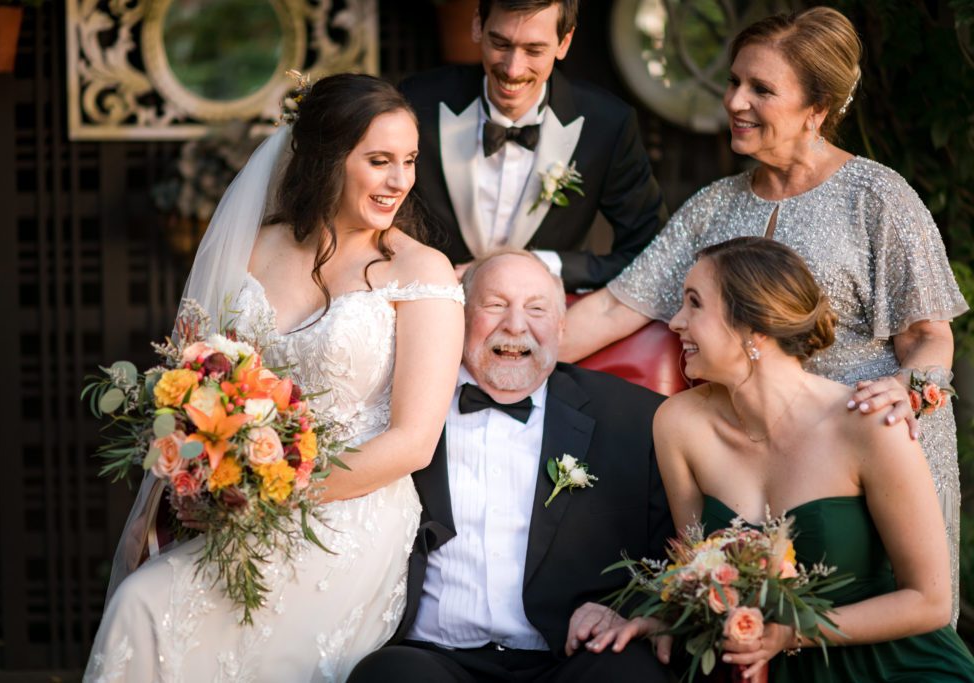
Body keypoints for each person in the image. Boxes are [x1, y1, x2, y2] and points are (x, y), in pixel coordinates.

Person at [562, 6, 969, 620]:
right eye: (733, 82)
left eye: (761, 89)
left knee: (884, 620)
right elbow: (616, 308)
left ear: (817, 108)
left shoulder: (877, 197)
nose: (735, 101)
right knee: (758, 630)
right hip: (762, 468)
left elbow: (929, 336)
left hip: (877, 446)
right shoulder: (711, 207)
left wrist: (907, 391)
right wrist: (491, 347)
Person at [83, 74, 465, 682]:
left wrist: (277, 495)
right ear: (325, 158)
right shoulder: (252, 248)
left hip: (350, 515)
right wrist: (195, 487)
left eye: (410, 161)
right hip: (235, 506)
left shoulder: (422, 272)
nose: (400, 181)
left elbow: (413, 442)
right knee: (140, 602)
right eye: (379, 161)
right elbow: (192, 383)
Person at [588, 238, 974, 682]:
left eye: (694, 304)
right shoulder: (678, 424)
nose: (675, 323)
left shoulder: (868, 424)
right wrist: (655, 618)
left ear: (756, 326)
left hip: (895, 664)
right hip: (762, 666)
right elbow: (699, 576)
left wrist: (792, 634)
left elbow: (929, 601)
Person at [347, 249, 674, 683]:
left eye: (536, 309)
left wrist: (626, 610)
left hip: (570, 657)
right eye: (495, 304)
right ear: (459, 318)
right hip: (433, 658)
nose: (516, 325)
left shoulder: (634, 418)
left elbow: (675, 555)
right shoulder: (403, 407)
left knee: (635, 673)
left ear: (561, 327)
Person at [400, 0, 667, 291]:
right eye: (500, 43)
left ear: (564, 42)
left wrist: (543, 265)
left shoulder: (608, 125)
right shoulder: (416, 102)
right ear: (478, 24)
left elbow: (652, 251)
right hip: (433, 307)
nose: (513, 70)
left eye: (534, 50)